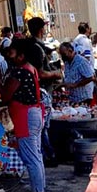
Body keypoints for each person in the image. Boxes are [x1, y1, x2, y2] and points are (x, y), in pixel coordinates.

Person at [1, 38, 47, 192]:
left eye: (11, 52)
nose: (8, 55)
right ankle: (40, 190)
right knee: (36, 155)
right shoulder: (31, 68)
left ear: (21, 55)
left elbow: (6, 96)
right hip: (34, 113)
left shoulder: (19, 71)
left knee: (31, 157)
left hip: (25, 116)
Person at [27, 17, 63, 165]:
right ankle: (49, 156)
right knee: (42, 128)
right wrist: (56, 74)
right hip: (40, 92)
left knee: (39, 128)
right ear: (42, 30)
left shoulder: (31, 45)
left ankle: (45, 155)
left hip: (35, 92)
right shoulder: (36, 48)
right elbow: (40, 73)